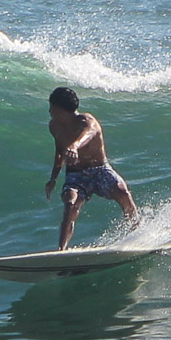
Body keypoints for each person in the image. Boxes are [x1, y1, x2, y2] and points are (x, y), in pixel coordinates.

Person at [44, 86, 138, 249]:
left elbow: (88, 134)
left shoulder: (87, 121)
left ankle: (137, 233)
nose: (49, 111)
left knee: (122, 191)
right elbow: (59, 153)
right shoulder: (54, 126)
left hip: (100, 169)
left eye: (51, 107)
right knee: (70, 203)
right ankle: (61, 250)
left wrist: (74, 146)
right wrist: (53, 178)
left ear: (60, 109)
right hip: (76, 174)